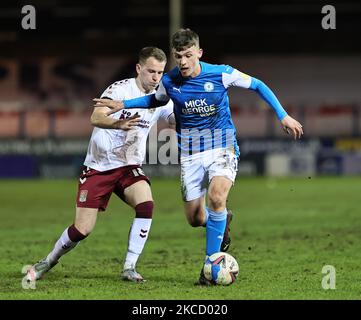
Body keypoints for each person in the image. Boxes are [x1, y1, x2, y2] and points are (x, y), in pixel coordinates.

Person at [93, 28, 304, 285]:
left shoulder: (221, 74)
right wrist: (123, 105)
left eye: (188, 55)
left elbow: (258, 85)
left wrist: (283, 114)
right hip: (191, 153)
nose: (182, 61)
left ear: (199, 53)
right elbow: (155, 101)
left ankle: (209, 266)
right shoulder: (170, 81)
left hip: (222, 146)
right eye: (178, 56)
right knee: (195, 219)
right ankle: (222, 220)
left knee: (217, 196)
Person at [26, 47, 175, 283]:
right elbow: (96, 117)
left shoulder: (161, 98)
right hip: (99, 167)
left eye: (160, 72)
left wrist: (191, 112)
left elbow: (175, 120)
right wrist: (118, 124)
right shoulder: (119, 89)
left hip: (128, 167)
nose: (156, 78)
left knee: (146, 204)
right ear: (139, 69)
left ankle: (129, 267)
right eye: (151, 71)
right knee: (82, 230)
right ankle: (48, 261)